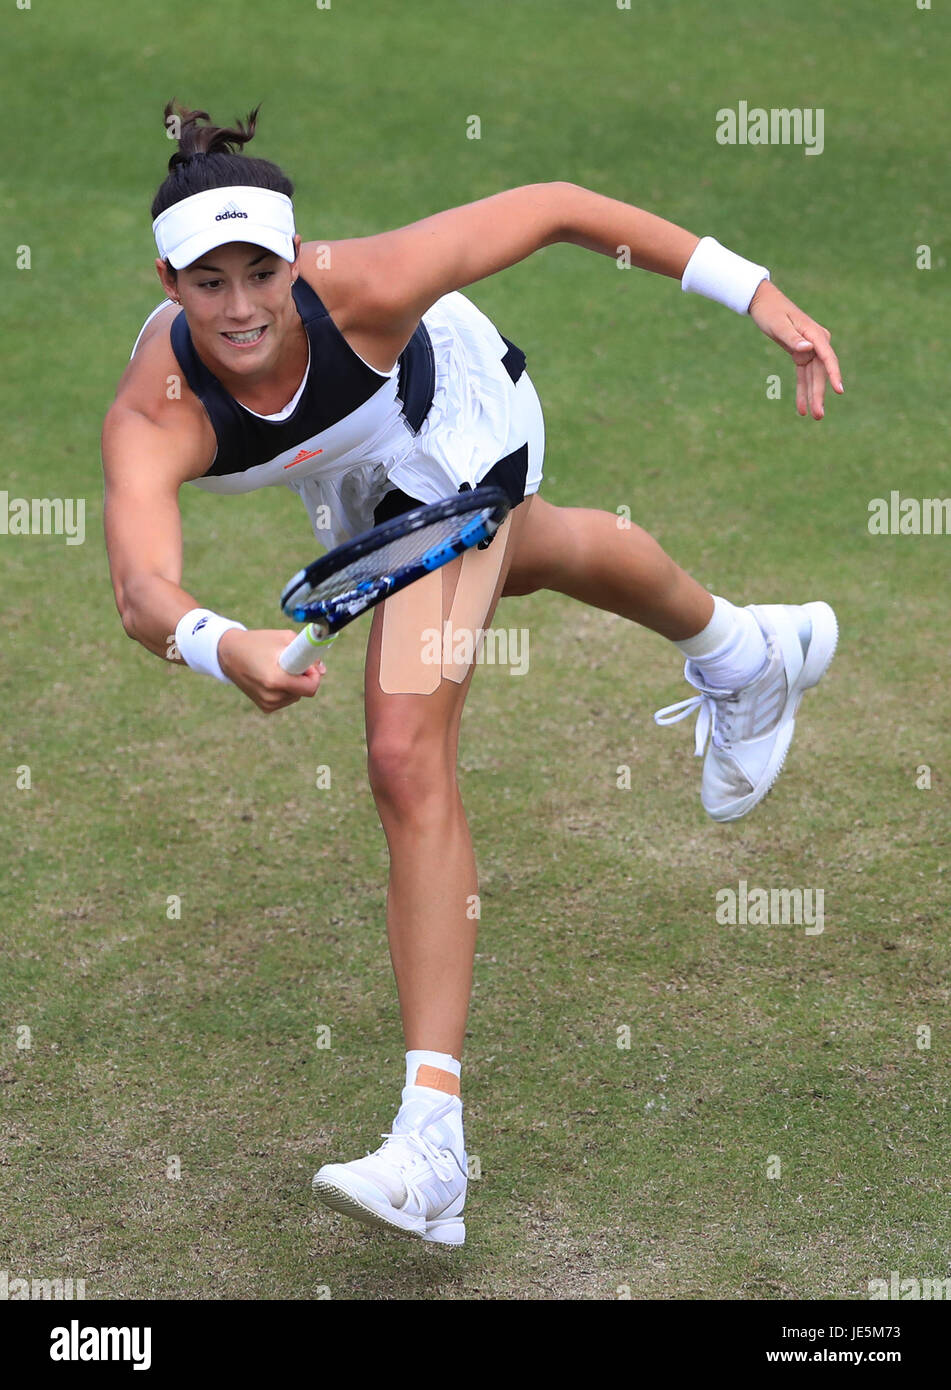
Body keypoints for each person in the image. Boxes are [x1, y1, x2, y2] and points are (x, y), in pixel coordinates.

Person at [103, 102, 843, 1247]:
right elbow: (139, 589)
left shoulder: (369, 291)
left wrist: (755, 291)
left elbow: (553, 209)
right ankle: (751, 650)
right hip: (359, 470)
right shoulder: (158, 409)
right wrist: (220, 642)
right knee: (531, 552)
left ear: (299, 262)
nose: (242, 305)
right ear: (168, 278)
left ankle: (432, 1145)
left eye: (262, 271)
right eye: (208, 281)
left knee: (405, 750)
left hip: (457, 418)